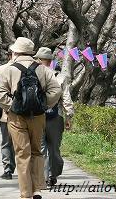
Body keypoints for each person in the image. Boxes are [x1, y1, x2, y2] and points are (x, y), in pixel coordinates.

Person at [0, 37, 62, 199]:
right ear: (31, 52)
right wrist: (44, 105)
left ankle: (26, 193)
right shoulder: (44, 70)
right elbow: (56, 91)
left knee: (22, 153)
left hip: (16, 117)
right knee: (37, 151)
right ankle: (37, 188)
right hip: (38, 116)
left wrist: (12, 106)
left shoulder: (5, 69)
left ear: (15, 51)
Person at [34, 47, 74, 188]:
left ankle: (43, 177)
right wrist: (69, 116)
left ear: (38, 59)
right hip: (56, 116)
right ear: (50, 61)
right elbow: (67, 99)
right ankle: (53, 174)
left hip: (37, 116)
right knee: (54, 148)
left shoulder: (33, 75)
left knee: (41, 148)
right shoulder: (60, 77)